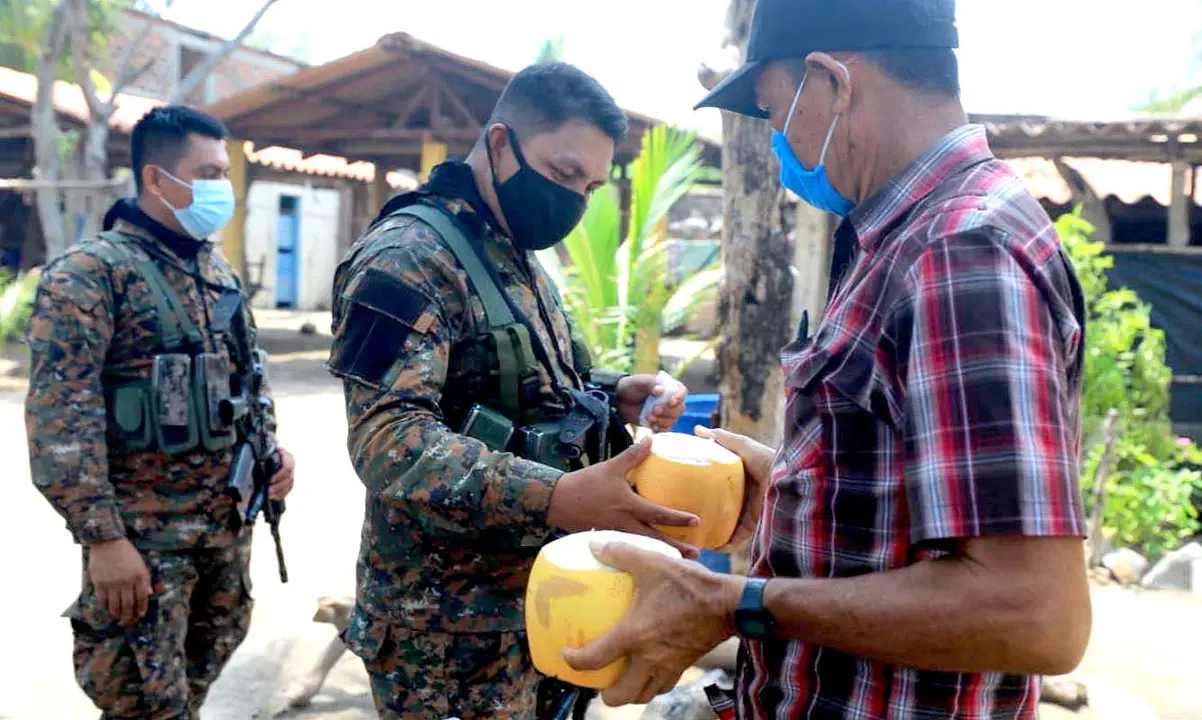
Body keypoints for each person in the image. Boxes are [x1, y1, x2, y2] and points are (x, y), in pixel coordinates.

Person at [562, 1, 1093, 717]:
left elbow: (1032, 613)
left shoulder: (960, 251)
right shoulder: (901, 236)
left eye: (777, 113)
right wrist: (792, 493)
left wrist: (732, 604)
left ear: (831, 82)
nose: (781, 143)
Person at [327, 62, 697, 720]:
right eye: (562, 175)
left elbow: (536, 385)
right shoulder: (407, 255)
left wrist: (618, 395)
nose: (574, 203)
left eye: (589, 186)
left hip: (544, 602)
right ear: (500, 144)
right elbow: (388, 441)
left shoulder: (513, 252)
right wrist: (556, 495)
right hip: (445, 632)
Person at [25, 105, 296, 720]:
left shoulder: (215, 273)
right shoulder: (91, 276)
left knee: (196, 678)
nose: (219, 189)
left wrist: (271, 453)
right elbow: (59, 420)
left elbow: (249, 381)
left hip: (224, 530)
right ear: (155, 178)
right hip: (144, 543)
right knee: (143, 698)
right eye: (205, 173)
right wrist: (103, 538)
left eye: (223, 174)